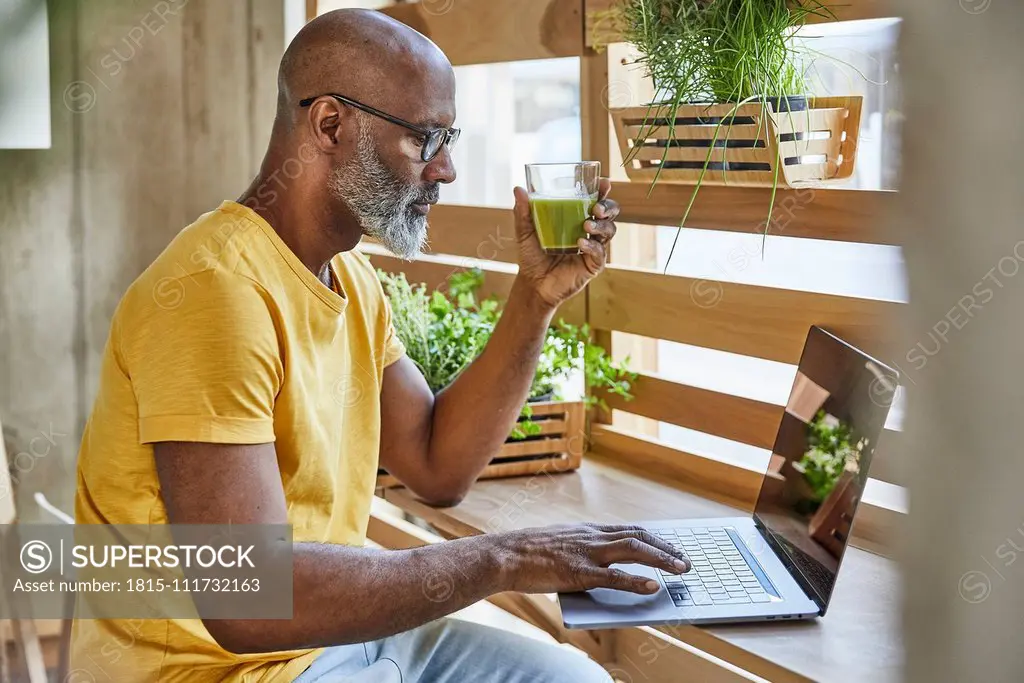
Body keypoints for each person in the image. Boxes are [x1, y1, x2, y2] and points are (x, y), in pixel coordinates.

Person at [71, 8, 689, 682]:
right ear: (330, 125)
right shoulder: (212, 291)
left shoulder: (354, 281)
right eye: (426, 138)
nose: (447, 170)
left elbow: (436, 464)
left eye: (448, 138)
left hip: (346, 641)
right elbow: (245, 596)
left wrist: (534, 296)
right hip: (223, 670)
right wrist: (502, 557)